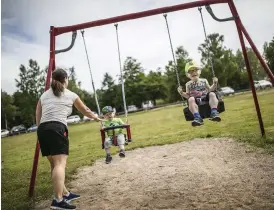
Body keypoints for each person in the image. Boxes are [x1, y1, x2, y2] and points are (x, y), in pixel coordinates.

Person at [35, 68, 103, 210]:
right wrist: (95, 117)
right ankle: (58, 201)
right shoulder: (70, 94)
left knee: (54, 165)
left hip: (42, 130)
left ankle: (65, 194)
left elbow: (38, 112)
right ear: (65, 79)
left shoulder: (44, 95)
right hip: (57, 128)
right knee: (60, 164)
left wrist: (40, 130)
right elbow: (85, 110)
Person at [177, 61, 221, 126]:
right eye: (190, 71)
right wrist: (181, 92)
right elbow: (188, 96)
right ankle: (197, 117)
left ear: (199, 71)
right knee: (191, 99)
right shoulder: (188, 84)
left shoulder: (204, 80)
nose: (193, 73)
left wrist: (215, 83)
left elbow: (210, 89)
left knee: (212, 94)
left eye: (195, 70)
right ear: (187, 75)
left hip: (206, 98)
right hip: (196, 101)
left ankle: (214, 112)